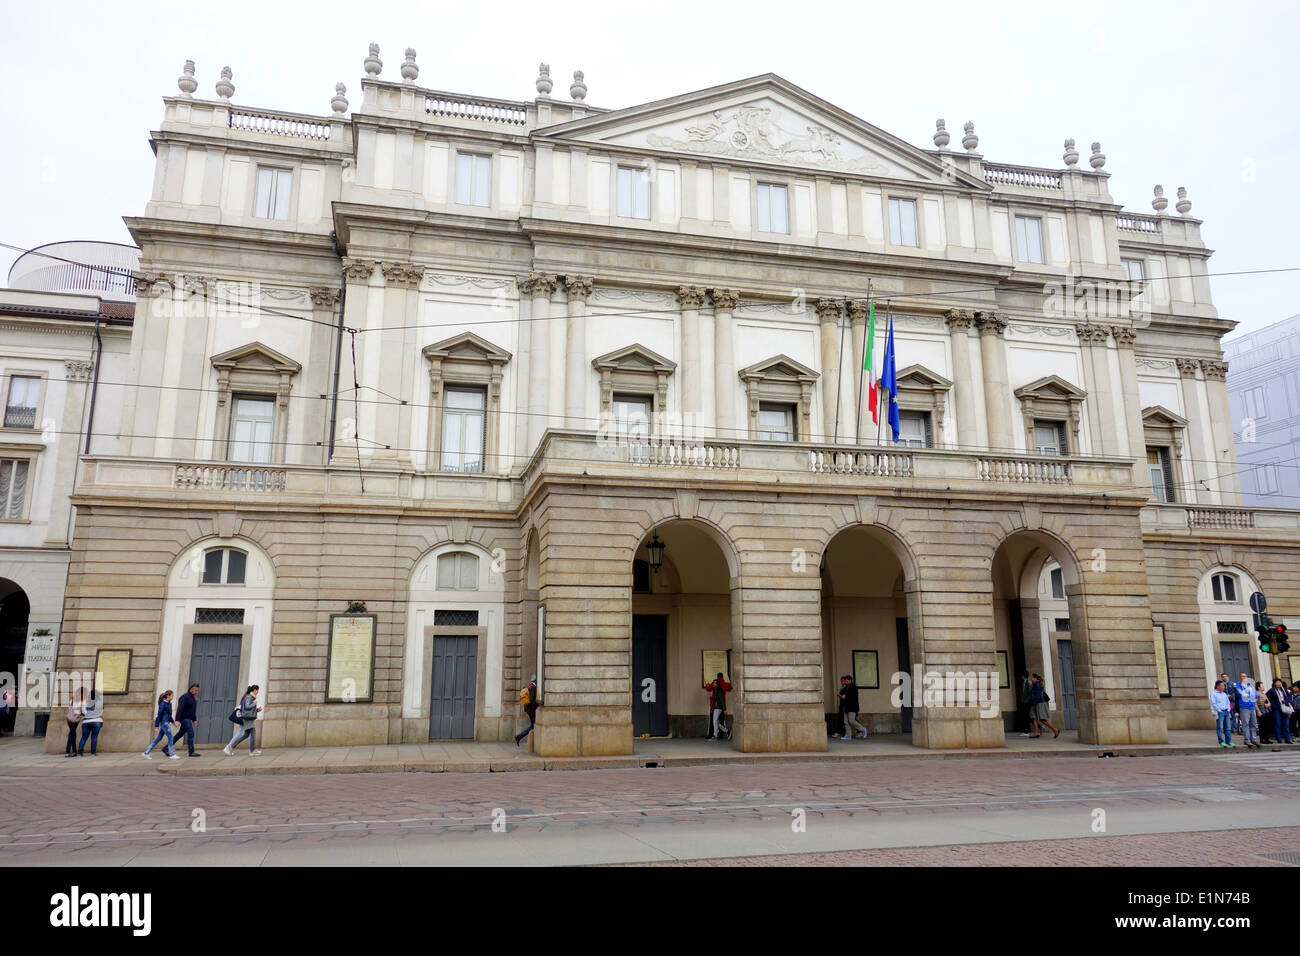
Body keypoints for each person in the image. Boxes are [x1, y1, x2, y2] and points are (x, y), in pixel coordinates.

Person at [224, 685, 262, 755]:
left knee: (246, 734)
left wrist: (256, 710)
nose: (258, 692)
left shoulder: (250, 697)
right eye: (257, 690)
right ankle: (252, 751)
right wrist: (254, 703)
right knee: (252, 733)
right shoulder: (249, 697)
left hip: (248, 718)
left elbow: (248, 709)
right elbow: (247, 707)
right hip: (247, 718)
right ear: (254, 690)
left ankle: (230, 747)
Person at [142, 691, 180, 760]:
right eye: (172, 695)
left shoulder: (169, 704)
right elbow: (159, 715)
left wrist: (173, 722)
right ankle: (172, 754)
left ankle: (146, 752)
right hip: (164, 723)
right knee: (171, 737)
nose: (173, 697)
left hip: (166, 722)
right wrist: (156, 726)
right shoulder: (163, 704)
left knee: (158, 738)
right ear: (168, 696)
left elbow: (169, 715)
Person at [1028, 674, 1060, 739]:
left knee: (1042, 719)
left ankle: (1055, 729)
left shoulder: (1037, 685)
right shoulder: (1033, 685)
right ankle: (1036, 732)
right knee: (1033, 717)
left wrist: (1033, 702)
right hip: (1034, 703)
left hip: (1039, 703)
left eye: (1032, 678)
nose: (1031, 679)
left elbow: (1037, 695)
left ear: (1036, 679)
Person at [174, 683, 201, 757]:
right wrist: (177, 720)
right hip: (184, 719)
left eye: (197, 690)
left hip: (189, 719)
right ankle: (191, 752)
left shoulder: (193, 698)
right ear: (191, 689)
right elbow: (180, 709)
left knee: (180, 734)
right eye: (195, 690)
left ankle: (166, 748)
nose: (196, 692)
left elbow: (193, 711)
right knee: (191, 733)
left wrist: (194, 720)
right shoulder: (185, 697)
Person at [838, 675, 868, 741]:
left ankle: (863, 729)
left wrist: (843, 696)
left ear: (850, 680)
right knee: (846, 722)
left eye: (846, 681)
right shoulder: (846, 687)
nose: (845, 682)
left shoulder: (853, 687)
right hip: (846, 707)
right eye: (845, 681)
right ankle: (848, 736)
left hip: (852, 707)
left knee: (851, 720)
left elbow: (850, 697)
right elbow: (843, 695)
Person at [1235, 674, 1260, 749]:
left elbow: (1255, 696)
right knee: (1245, 724)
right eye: (1242, 676)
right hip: (1244, 707)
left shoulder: (1251, 686)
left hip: (1252, 707)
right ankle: (1247, 739)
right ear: (1240, 678)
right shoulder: (1238, 686)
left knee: (1253, 723)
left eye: (1245, 676)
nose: (1244, 678)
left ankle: (1254, 739)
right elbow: (1241, 694)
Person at [704, 672, 731, 740]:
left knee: (714, 721)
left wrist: (707, 685)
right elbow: (730, 687)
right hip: (722, 706)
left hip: (717, 706)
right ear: (722, 676)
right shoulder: (724, 684)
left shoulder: (716, 686)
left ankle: (715, 734)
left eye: (714, 683)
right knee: (719, 721)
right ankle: (723, 733)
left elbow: (708, 689)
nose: (713, 684)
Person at [1266, 678, 1293, 745]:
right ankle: (1279, 739)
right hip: (1277, 709)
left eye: (1280, 682)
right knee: (1278, 724)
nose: (1279, 683)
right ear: (1274, 683)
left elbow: (1290, 695)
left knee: (1286, 724)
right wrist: (1271, 704)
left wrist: (1288, 701)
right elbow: (1266, 697)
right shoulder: (1272, 690)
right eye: (1277, 682)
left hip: (1285, 708)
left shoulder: (1284, 689)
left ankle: (1288, 739)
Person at [515, 676, 540, 746]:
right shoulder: (533, 687)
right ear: (535, 680)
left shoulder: (529, 686)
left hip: (528, 709)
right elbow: (532, 700)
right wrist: (536, 708)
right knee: (533, 726)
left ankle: (519, 737)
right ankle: (519, 736)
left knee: (533, 725)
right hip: (531, 710)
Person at [77, 690, 104, 755]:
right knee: (94, 737)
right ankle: (93, 752)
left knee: (84, 737)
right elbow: (101, 711)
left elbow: (83, 712)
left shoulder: (85, 702)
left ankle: (80, 752)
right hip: (97, 720)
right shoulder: (100, 702)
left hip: (86, 721)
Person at [1211, 680, 1234, 748]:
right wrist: (1219, 710)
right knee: (1220, 727)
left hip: (1226, 711)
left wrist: (1228, 709)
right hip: (1220, 712)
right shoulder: (1213, 694)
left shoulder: (1224, 694)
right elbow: (1213, 703)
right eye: (1222, 686)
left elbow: (1228, 702)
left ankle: (1228, 741)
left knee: (1228, 727)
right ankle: (1221, 741)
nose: (1224, 687)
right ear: (1218, 686)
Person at [64, 688, 85, 757]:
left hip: (69, 718)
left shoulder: (71, 700)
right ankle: (67, 752)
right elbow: (84, 711)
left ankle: (74, 751)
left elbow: (69, 708)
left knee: (73, 734)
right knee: (71, 734)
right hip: (75, 719)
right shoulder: (82, 701)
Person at [1220, 672, 1238, 741]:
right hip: (1224, 702)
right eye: (1223, 677)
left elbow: (1235, 692)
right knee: (1226, 715)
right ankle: (1227, 728)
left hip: (1232, 702)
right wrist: (1225, 696)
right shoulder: (1221, 684)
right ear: (1222, 678)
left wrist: (1231, 696)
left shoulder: (1232, 684)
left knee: (1233, 715)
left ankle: (1234, 728)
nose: (1225, 678)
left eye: (1226, 676)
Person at [1017, 671, 1033, 737]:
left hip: (1027, 702)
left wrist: (1028, 700)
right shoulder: (1025, 682)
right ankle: (1037, 727)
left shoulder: (1028, 682)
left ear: (1023, 676)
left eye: (1021, 676)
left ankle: (1027, 731)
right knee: (1025, 716)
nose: (1021, 677)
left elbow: (1030, 692)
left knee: (1026, 716)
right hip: (1025, 701)